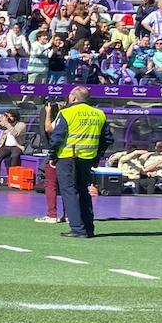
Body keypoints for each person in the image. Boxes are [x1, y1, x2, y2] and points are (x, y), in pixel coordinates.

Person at [49, 86, 112, 238]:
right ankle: (88, 228)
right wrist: (97, 157)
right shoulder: (99, 114)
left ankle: (77, 229)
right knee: (84, 191)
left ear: (74, 98)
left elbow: (58, 137)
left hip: (67, 157)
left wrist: (52, 155)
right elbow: (108, 139)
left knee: (69, 192)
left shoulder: (66, 113)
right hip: (87, 158)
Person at [0, 110, 27, 184]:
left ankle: (12, 179)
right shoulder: (6, 125)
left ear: (15, 117)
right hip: (6, 146)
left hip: (17, 146)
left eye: (11, 116)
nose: (9, 118)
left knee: (15, 156)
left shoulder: (21, 125)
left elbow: (15, 133)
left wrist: (7, 124)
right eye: (8, 116)